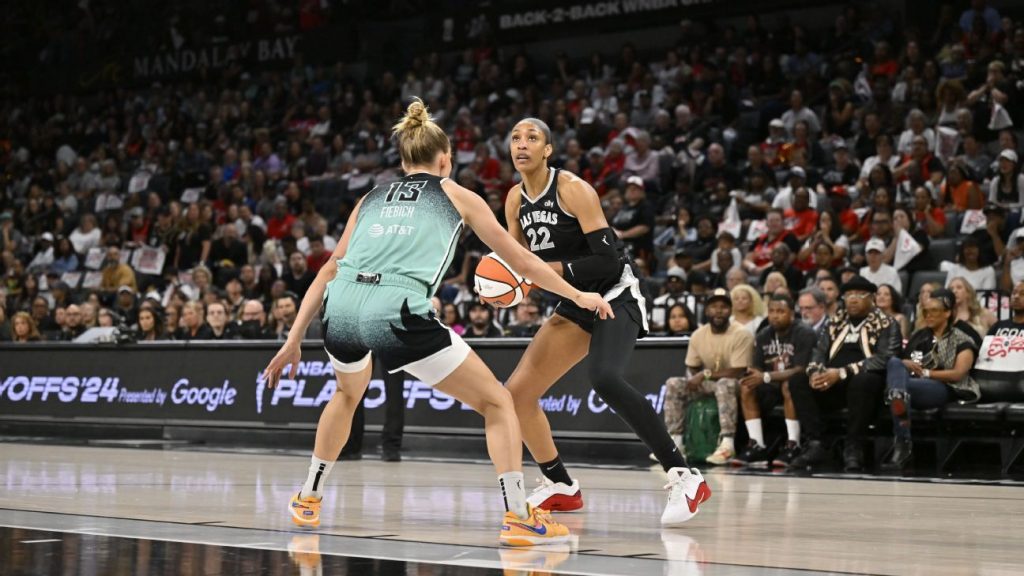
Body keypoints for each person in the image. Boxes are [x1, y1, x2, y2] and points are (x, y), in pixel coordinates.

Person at [262, 100, 614, 546]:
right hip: (396, 311)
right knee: (499, 403)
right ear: (445, 160)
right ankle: (518, 515)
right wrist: (578, 293)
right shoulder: (456, 194)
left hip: (342, 308)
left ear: (404, 160)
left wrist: (295, 337)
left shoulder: (371, 198)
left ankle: (308, 496)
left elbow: (331, 265)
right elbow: (521, 258)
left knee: (346, 394)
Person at [500, 116, 709, 526]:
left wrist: (550, 272)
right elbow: (517, 261)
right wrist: (506, 286)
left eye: (532, 137)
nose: (522, 144)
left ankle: (685, 476)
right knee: (517, 394)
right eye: (515, 138)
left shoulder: (574, 190)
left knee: (605, 378)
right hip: (575, 302)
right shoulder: (513, 200)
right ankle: (561, 485)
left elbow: (607, 259)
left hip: (614, 294)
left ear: (548, 150)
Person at [789, 276, 902, 471]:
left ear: (872, 298)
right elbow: (818, 351)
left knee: (864, 380)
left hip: (867, 389)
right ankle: (816, 443)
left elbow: (884, 358)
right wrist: (817, 372)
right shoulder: (835, 322)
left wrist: (842, 373)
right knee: (799, 380)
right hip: (831, 384)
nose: (853, 299)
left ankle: (853, 447)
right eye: (849, 295)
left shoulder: (887, 323)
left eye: (860, 294)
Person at [882, 288, 978, 472]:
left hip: (944, 388)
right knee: (895, 362)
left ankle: (902, 441)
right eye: (925, 311)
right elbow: (902, 364)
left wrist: (925, 373)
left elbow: (958, 374)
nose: (928, 315)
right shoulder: (919, 335)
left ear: (947, 313)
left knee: (898, 392)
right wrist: (905, 362)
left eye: (933, 311)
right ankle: (903, 438)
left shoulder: (961, 338)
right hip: (910, 385)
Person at [664, 288, 753, 465]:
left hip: (737, 385)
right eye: (713, 306)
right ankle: (676, 442)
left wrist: (704, 375)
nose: (718, 310)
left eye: (723, 306)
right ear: (706, 310)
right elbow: (692, 366)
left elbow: (738, 370)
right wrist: (695, 378)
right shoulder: (698, 335)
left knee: (725, 384)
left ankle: (727, 444)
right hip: (708, 383)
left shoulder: (742, 333)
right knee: (674, 383)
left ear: (731, 310)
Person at [734, 293, 816, 468]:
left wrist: (765, 376)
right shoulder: (764, 334)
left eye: (780, 311)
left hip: (799, 386)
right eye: (771, 311)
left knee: (789, 384)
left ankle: (793, 444)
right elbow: (757, 367)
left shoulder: (804, 333)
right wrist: (753, 374)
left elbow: (800, 369)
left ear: (792, 314)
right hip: (770, 385)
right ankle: (757, 444)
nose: (775, 315)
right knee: (747, 386)